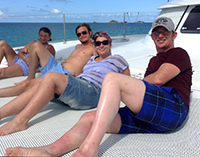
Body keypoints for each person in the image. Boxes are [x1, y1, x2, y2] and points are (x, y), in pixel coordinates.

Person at [4, 17, 192, 157]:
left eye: (165, 32)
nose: (160, 35)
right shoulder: (152, 61)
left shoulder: (178, 53)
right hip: (153, 117)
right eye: (156, 32)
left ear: (174, 35)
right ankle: (49, 151)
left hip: (173, 108)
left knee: (112, 79)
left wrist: (119, 88)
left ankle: (89, 149)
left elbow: (158, 79)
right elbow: (145, 88)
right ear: (151, 36)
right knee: (88, 118)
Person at [0, 31, 130, 136]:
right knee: (39, 85)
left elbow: (127, 82)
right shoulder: (91, 59)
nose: (101, 45)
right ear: (95, 45)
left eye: (104, 42)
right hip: (81, 85)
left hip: (93, 91)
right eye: (98, 43)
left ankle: (20, 121)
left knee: (50, 77)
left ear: (110, 43)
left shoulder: (117, 59)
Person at [0, 23, 97, 97]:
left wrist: (79, 77)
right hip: (57, 66)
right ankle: (30, 77)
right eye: (79, 34)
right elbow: (22, 52)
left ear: (90, 33)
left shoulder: (94, 48)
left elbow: (97, 65)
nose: (81, 35)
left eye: (84, 32)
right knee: (36, 45)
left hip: (65, 73)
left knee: (26, 85)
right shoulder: (77, 46)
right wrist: (25, 58)